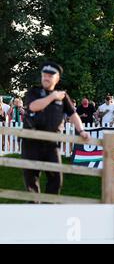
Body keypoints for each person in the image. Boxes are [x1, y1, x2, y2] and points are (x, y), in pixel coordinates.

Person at [22, 62, 90, 198]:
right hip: (31, 141)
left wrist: (81, 130)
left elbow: (73, 114)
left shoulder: (63, 96)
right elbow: (33, 107)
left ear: (57, 78)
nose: (46, 78)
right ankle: (33, 209)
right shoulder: (34, 92)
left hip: (52, 143)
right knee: (31, 179)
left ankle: (49, 209)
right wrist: (52, 97)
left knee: (56, 179)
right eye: (44, 75)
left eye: (50, 76)